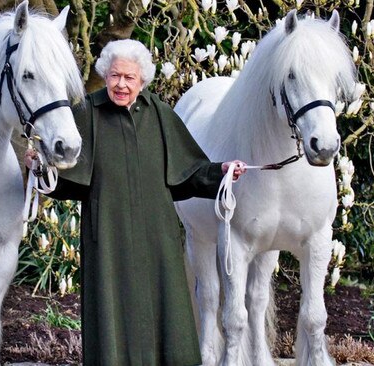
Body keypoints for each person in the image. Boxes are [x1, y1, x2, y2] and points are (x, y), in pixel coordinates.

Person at [25, 39, 246, 365]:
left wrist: (221, 171)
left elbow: (190, 171)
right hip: (108, 241)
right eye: (115, 76)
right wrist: (39, 167)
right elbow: (65, 177)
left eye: (129, 78)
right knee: (111, 318)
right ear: (105, 74)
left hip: (158, 241)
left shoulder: (159, 113)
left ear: (142, 80)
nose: (121, 84)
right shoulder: (87, 113)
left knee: (166, 315)